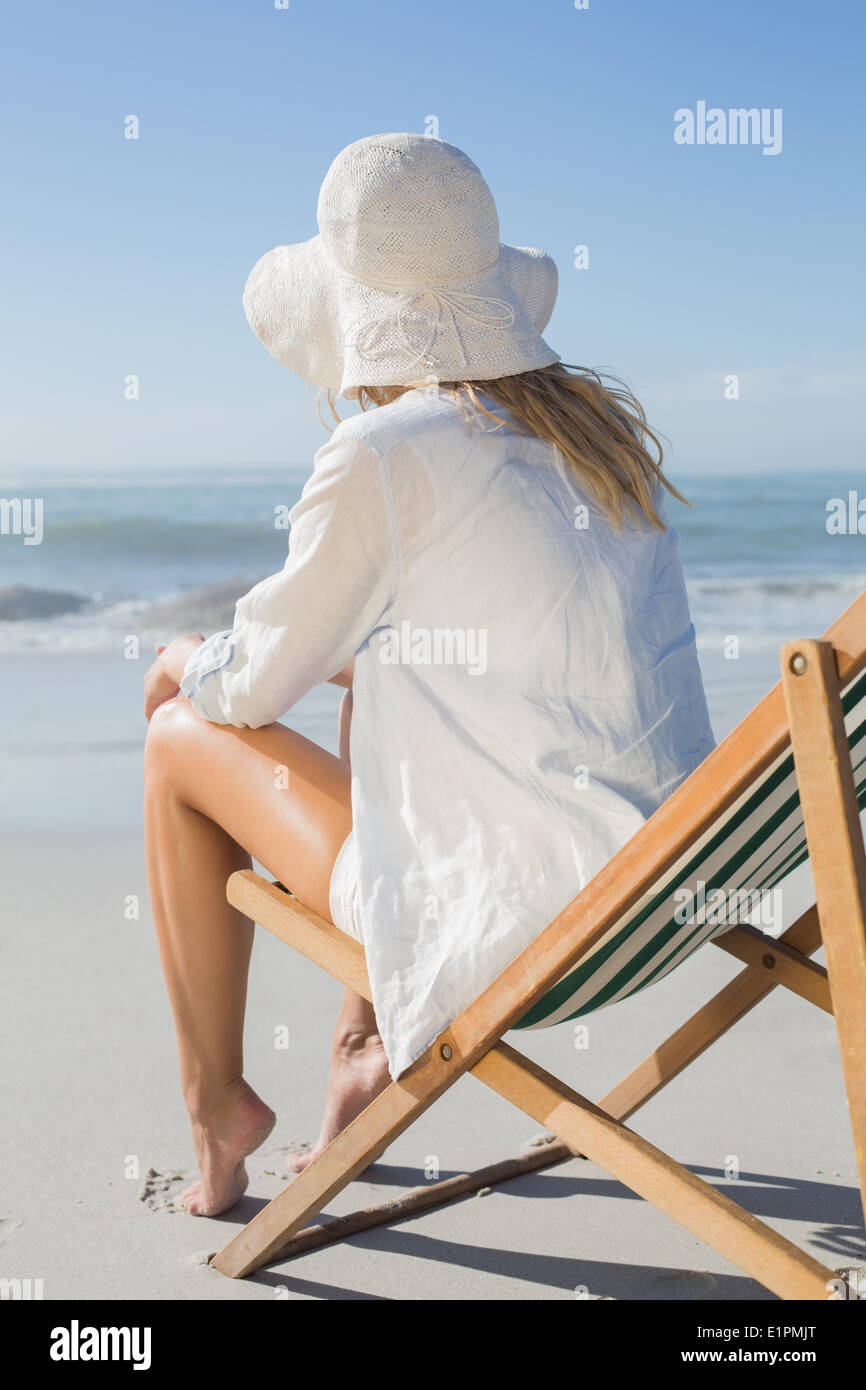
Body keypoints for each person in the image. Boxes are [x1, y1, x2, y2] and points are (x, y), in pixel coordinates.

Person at [143, 132, 715, 1217]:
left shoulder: (387, 452)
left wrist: (182, 660)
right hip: (657, 879)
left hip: (513, 914)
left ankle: (215, 1106)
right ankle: (360, 1046)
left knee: (178, 732)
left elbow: (250, 687)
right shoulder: (602, 444)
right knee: (383, 670)